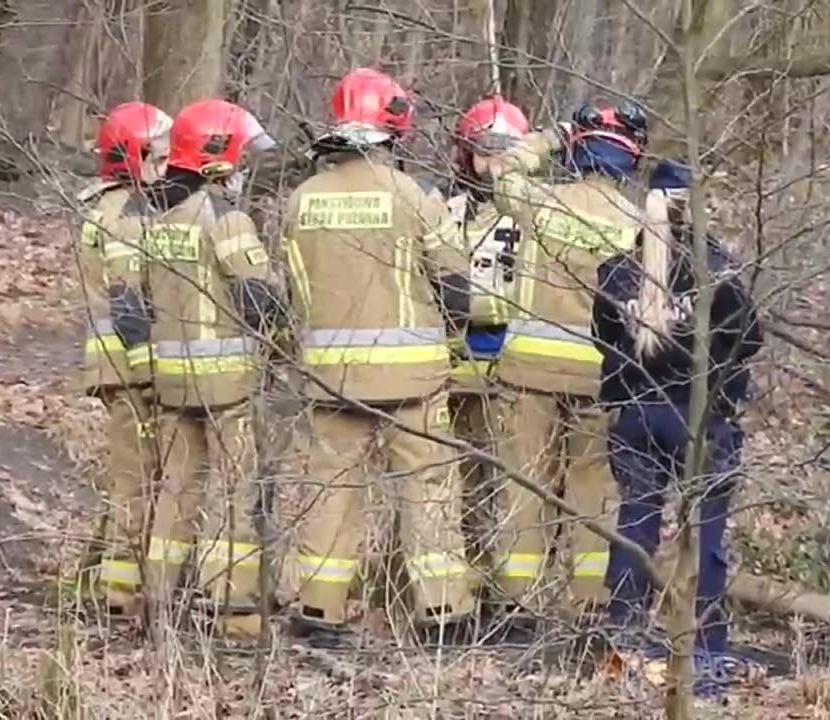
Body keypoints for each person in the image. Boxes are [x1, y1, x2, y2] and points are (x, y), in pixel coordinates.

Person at [280, 67, 476, 646]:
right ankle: (444, 616)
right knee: (429, 494)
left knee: (330, 495)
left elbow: (295, 291)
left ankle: (319, 613)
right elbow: (457, 288)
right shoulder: (411, 197)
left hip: (331, 380)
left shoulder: (302, 199)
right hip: (412, 382)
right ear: (395, 127)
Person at [109, 98, 285, 637]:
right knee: (237, 489)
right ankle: (234, 606)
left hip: (169, 379)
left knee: (177, 488)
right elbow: (260, 300)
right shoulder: (223, 216)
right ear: (219, 154)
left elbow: (128, 309)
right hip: (225, 382)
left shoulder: (146, 215)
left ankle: (159, 596)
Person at [592, 159, 763, 696]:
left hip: (639, 415)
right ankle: (706, 654)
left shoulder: (617, 271)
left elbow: (603, 338)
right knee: (706, 534)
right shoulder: (719, 270)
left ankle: (622, 644)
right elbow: (749, 337)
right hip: (701, 419)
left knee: (636, 526)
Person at [480, 98, 648, 627]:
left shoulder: (542, 204)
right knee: (594, 489)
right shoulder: (642, 224)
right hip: (602, 378)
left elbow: (500, 165)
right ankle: (592, 600)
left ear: (578, 153)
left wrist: (551, 134)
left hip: (529, 372)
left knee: (524, 482)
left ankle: (515, 600)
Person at [440, 95, 537, 636]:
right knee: (461, 481)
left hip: (510, 362)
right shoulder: (444, 208)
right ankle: (463, 585)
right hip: (453, 361)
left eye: (503, 153)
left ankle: (511, 594)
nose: (491, 165)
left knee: (509, 482)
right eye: (482, 153)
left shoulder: (530, 210)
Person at [73, 101, 171, 617]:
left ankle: (110, 580)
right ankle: (120, 595)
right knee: (138, 482)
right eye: (160, 153)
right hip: (134, 369)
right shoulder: (128, 216)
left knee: (131, 479)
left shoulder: (102, 207)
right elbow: (132, 305)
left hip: (114, 366)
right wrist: (155, 370)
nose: (170, 162)